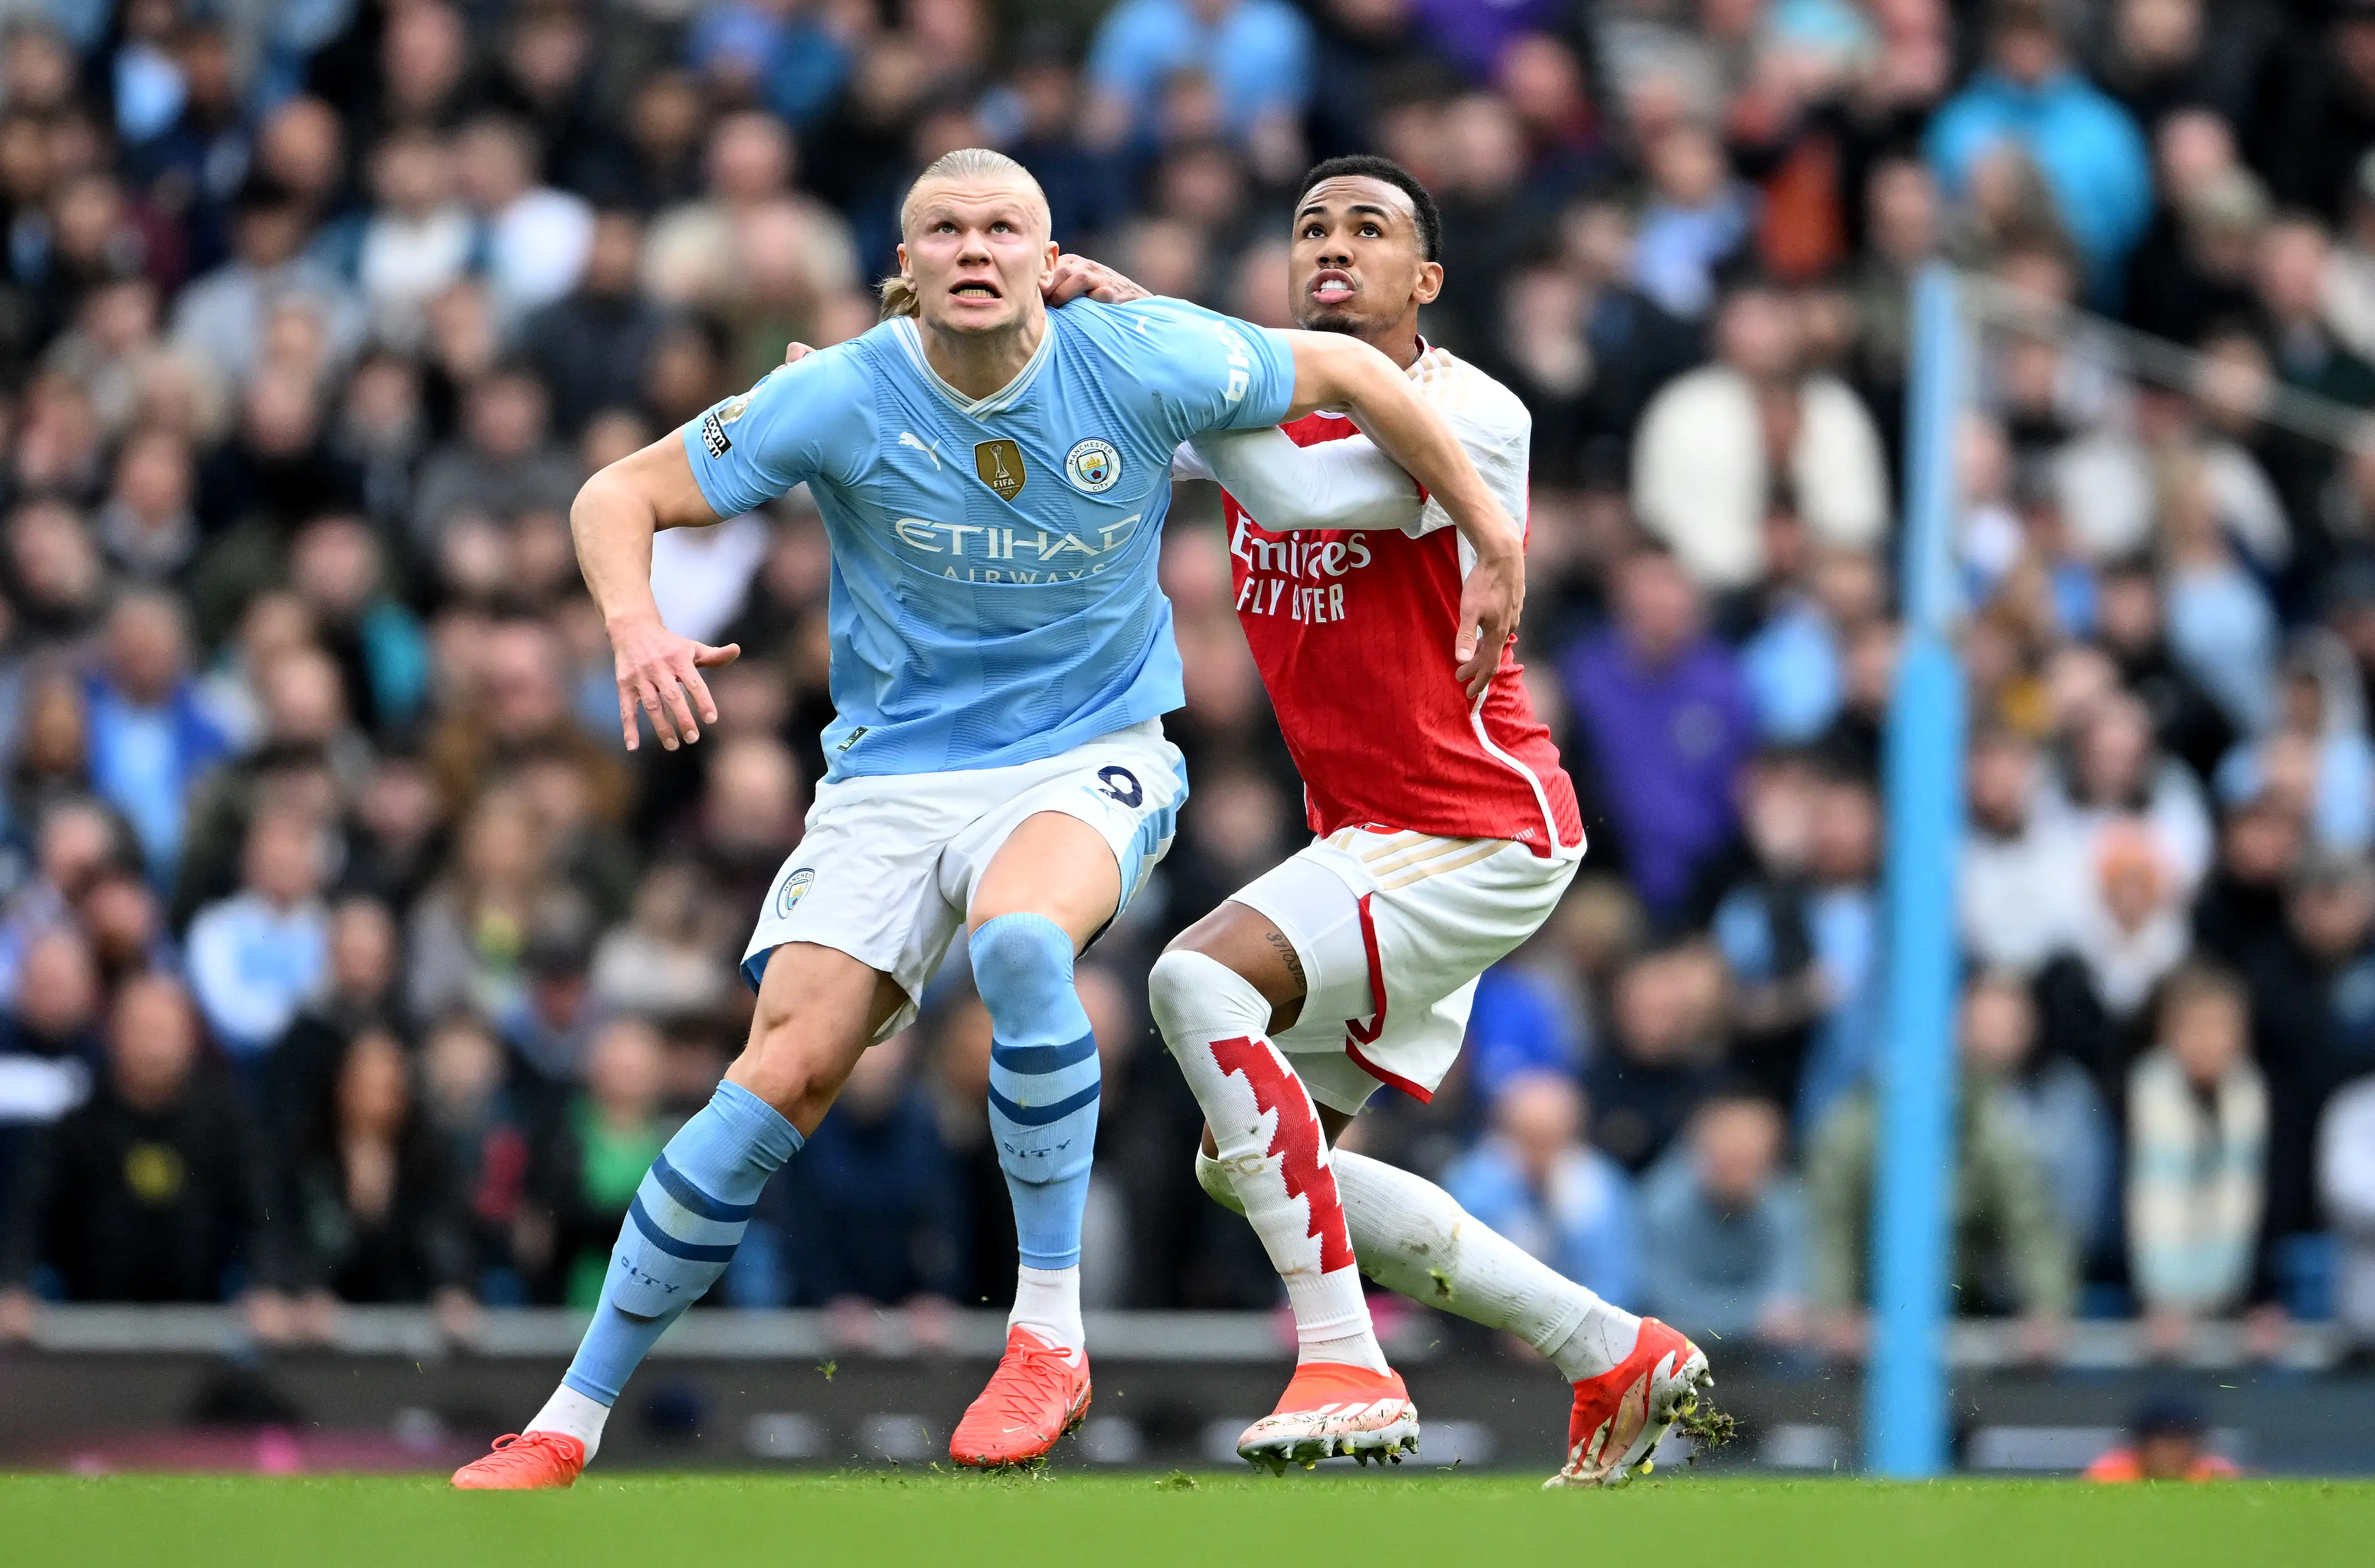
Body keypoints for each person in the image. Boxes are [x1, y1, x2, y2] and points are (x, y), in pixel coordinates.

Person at [453, 147, 1525, 1488]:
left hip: (1089, 756)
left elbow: (1363, 374)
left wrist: (1490, 531)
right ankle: (570, 1417)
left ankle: (1046, 1331)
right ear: (904, 267)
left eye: (1001, 226)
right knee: (780, 1073)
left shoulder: (1134, 355)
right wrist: (632, 621)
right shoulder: (838, 390)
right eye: (943, 228)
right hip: (890, 781)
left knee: (1021, 941)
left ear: (1044, 253)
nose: (973, 248)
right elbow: (618, 492)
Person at [1052, 154, 1711, 1483]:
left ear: (1430, 281)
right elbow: (1106, 428)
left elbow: (1291, 493)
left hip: (1475, 823)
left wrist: (1165, 342)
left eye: (1369, 227)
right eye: (1309, 227)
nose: (1332, 246)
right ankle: (1613, 1350)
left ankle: (1348, 1359)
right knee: (1246, 1165)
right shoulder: (1258, 397)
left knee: (1191, 980)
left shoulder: (1475, 412)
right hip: (1373, 833)